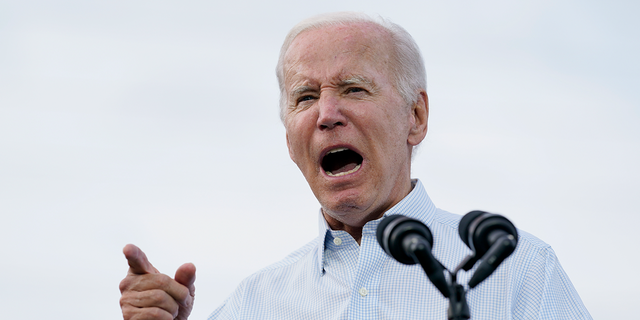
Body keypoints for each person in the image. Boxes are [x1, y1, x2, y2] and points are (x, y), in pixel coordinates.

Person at [119, 12, 592, 320]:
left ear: (416, 116)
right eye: (305, 97)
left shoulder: (519, 272)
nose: (326, 114)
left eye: (353, 88)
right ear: (289, 140)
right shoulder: (253, 304)